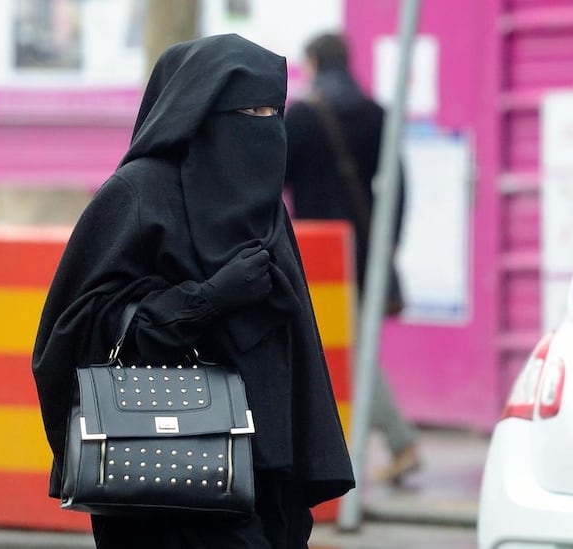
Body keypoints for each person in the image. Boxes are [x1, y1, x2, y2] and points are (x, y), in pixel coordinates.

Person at [31, 33, 354, 549]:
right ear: (199, 114)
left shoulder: (265, 208)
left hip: (264, 471)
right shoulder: (138, 194)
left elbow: (293, 339)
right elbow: (74, 330)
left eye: (272, 112)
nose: (264, 128)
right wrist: (207, 300)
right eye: (247, 111)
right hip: (163, 473)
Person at [284, 32, 420, 485]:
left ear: (314, 62)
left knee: (349, 351)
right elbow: (398, 186)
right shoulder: (376, 115)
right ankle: (375, 443)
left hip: (319, 254)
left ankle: (401, 442)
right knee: (350, 347)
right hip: (366, 251)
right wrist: (388, 246)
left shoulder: (301, 118)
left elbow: (273, 182)